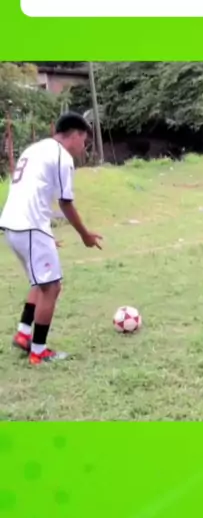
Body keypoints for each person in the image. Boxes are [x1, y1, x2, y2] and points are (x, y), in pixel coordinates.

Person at [0, 112, 103, 364]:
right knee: (52, 287)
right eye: (84, 141)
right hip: (30, 227)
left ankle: (23, 334)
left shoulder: (34, 149)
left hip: (14, 226)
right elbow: (65, 203)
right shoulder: (61, 157)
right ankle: (39, 352)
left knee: (40, 283)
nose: (83, 147)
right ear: (75, 135)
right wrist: (85, 235)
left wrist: (44, 237)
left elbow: (33, 192)